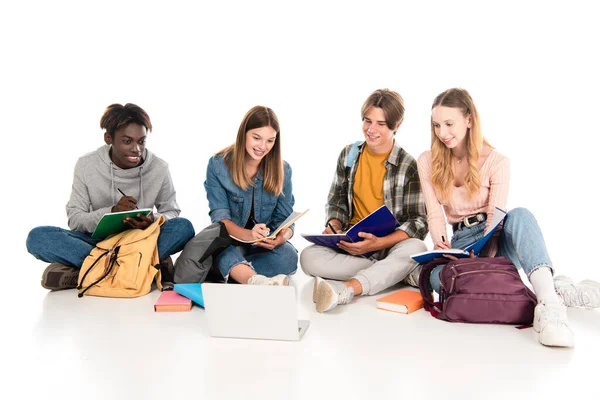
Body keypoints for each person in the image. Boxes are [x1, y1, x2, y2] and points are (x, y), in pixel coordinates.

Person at [417, 87, 600, 348]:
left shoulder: (497, 161)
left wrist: (486, 253)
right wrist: (441, 244)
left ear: (469, 120)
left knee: (520, 215)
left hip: (494, 241)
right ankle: (555, 290)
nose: (442, 133)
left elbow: (496, 216)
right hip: (461, 244)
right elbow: (434, 212)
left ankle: (549, 306)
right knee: (436, 278)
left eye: (449, 124)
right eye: (436, 125)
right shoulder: (427, 161)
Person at [26, 103, 195, 290]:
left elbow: (171, 211)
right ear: (108, 138)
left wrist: (153, 220)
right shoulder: (86, 165)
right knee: (38, 237)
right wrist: (112, 211)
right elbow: (75, 219)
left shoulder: (159, 168)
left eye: (141, 141)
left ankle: (91, 271)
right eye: (127, 141)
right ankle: (142, 267)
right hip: (97, 243)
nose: (136, 149)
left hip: (140, 241)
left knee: (184, 227)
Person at [300, 89, 428, 312]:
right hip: (352, 244)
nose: (371, 129)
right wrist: (334, 225)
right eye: (367, 121)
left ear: (396, 125)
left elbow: (418, 221)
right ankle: (391, 273)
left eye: (380, 123)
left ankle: (350, 288)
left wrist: (378, 243)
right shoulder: (349, 154)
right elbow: (337, 201)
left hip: (389, 245)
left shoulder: (408, 165)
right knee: (307, 257)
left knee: (416, 246)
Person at [204, 105, 298, 285]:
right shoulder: (218, 165)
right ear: (244, 134)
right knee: (221, 251)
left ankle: (237, 272)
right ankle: (253, 280)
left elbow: (285, 219)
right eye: (256, 138)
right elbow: (220, 219)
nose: (263, 147)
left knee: (288, 256)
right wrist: (250, 235)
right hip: (231, 243)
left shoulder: (283, 170)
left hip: (262, 248)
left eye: (270, 141)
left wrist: (281, 238)